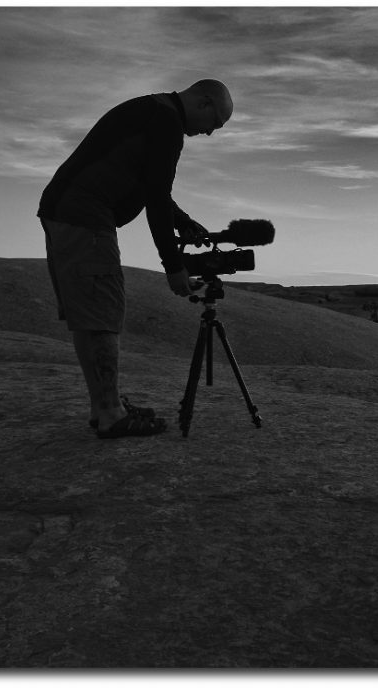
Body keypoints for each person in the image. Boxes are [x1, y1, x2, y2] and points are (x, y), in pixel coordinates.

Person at [37, 79, 233, 438]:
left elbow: (148, 185)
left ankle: (103, 406)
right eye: (215, 123)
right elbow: (156, 196)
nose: (209, 133)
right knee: (102, 313)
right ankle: (112, 413)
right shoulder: (167, 122)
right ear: (204, 102)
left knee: (88, 316)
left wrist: (184, 222)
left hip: (65, 209)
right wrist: (174, 267)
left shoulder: (153, 111)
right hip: (84, 214)